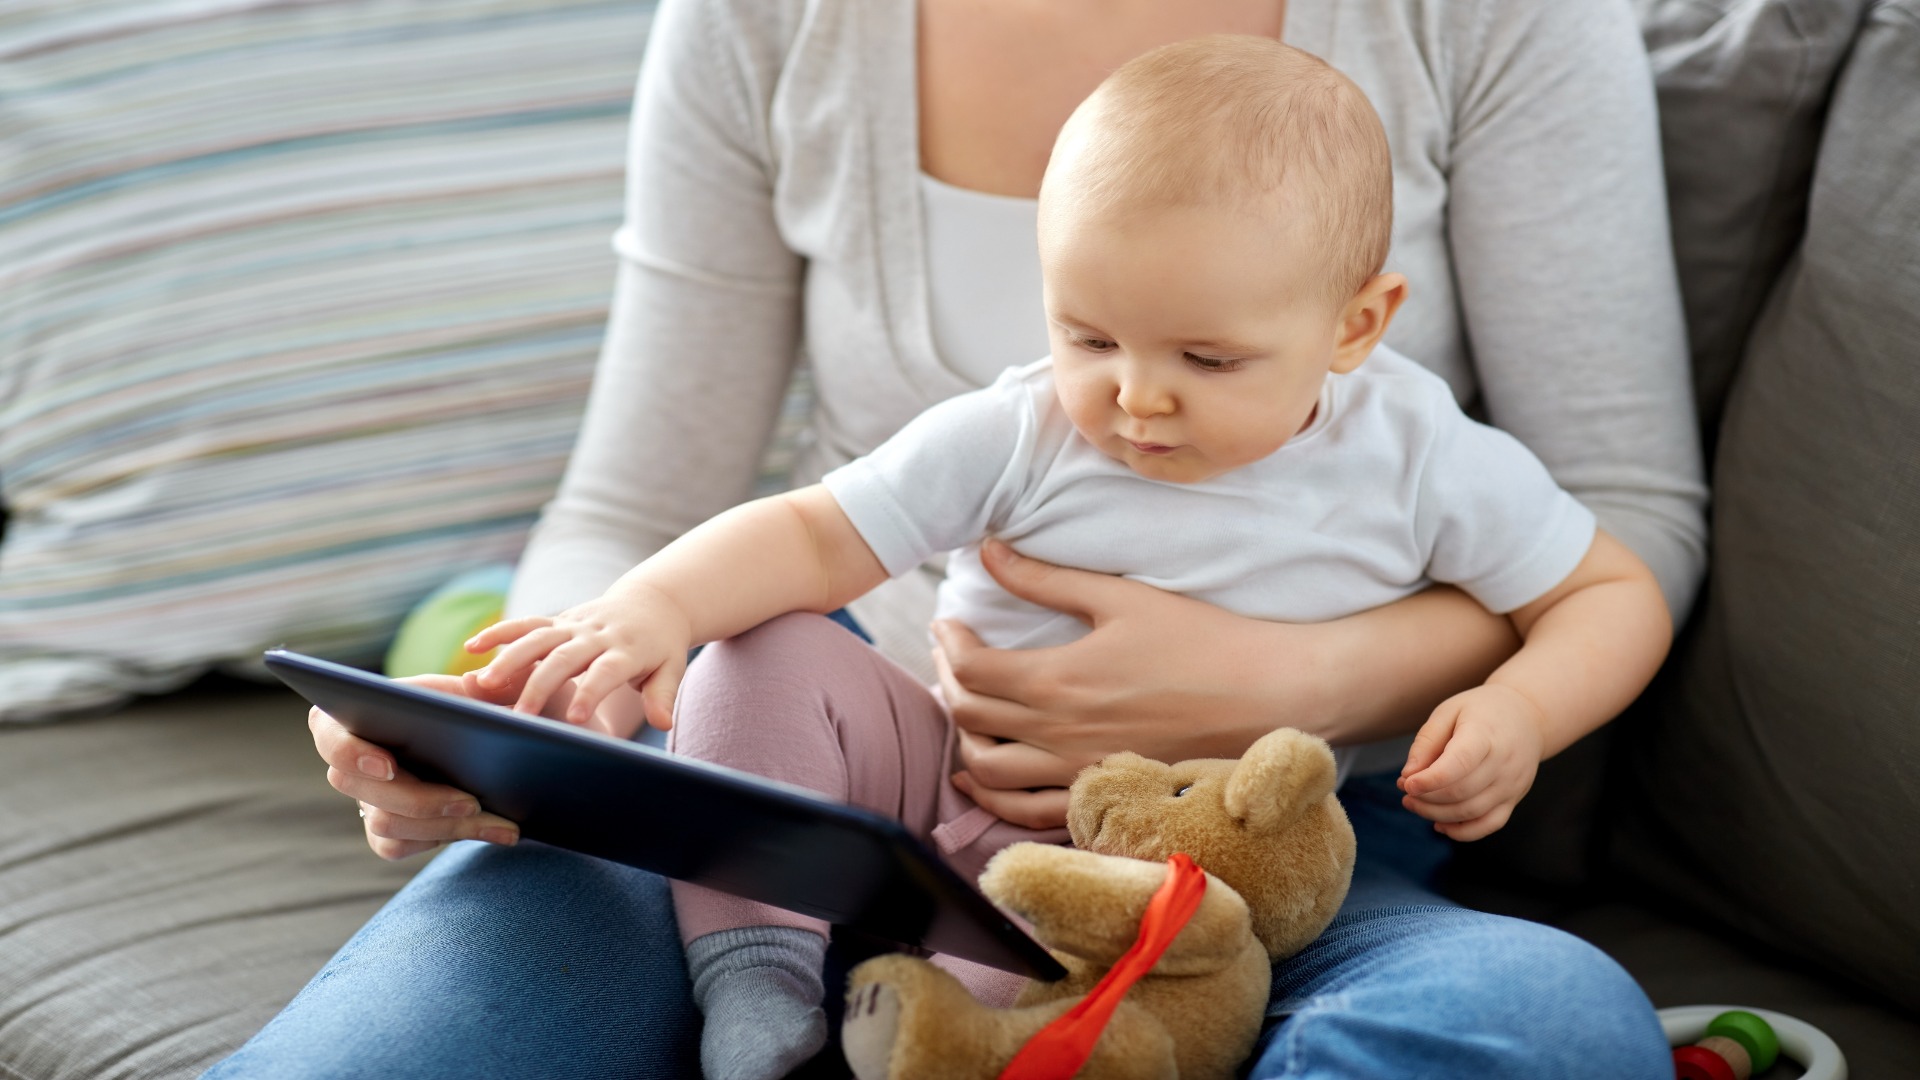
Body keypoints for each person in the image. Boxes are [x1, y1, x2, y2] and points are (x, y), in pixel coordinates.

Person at [216, 0, 1704, 1077]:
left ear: (1358, 325)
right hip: (864, 807)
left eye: (1208, 358)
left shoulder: (1420, 410)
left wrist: (1334, 683)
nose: (1133, 399)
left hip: (1281, 856)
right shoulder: (1009, 406)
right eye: (1085, 336)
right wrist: (534, 712)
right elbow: (697, 525)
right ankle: (768, 971)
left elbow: (1619, 544)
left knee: (1546, 1026)